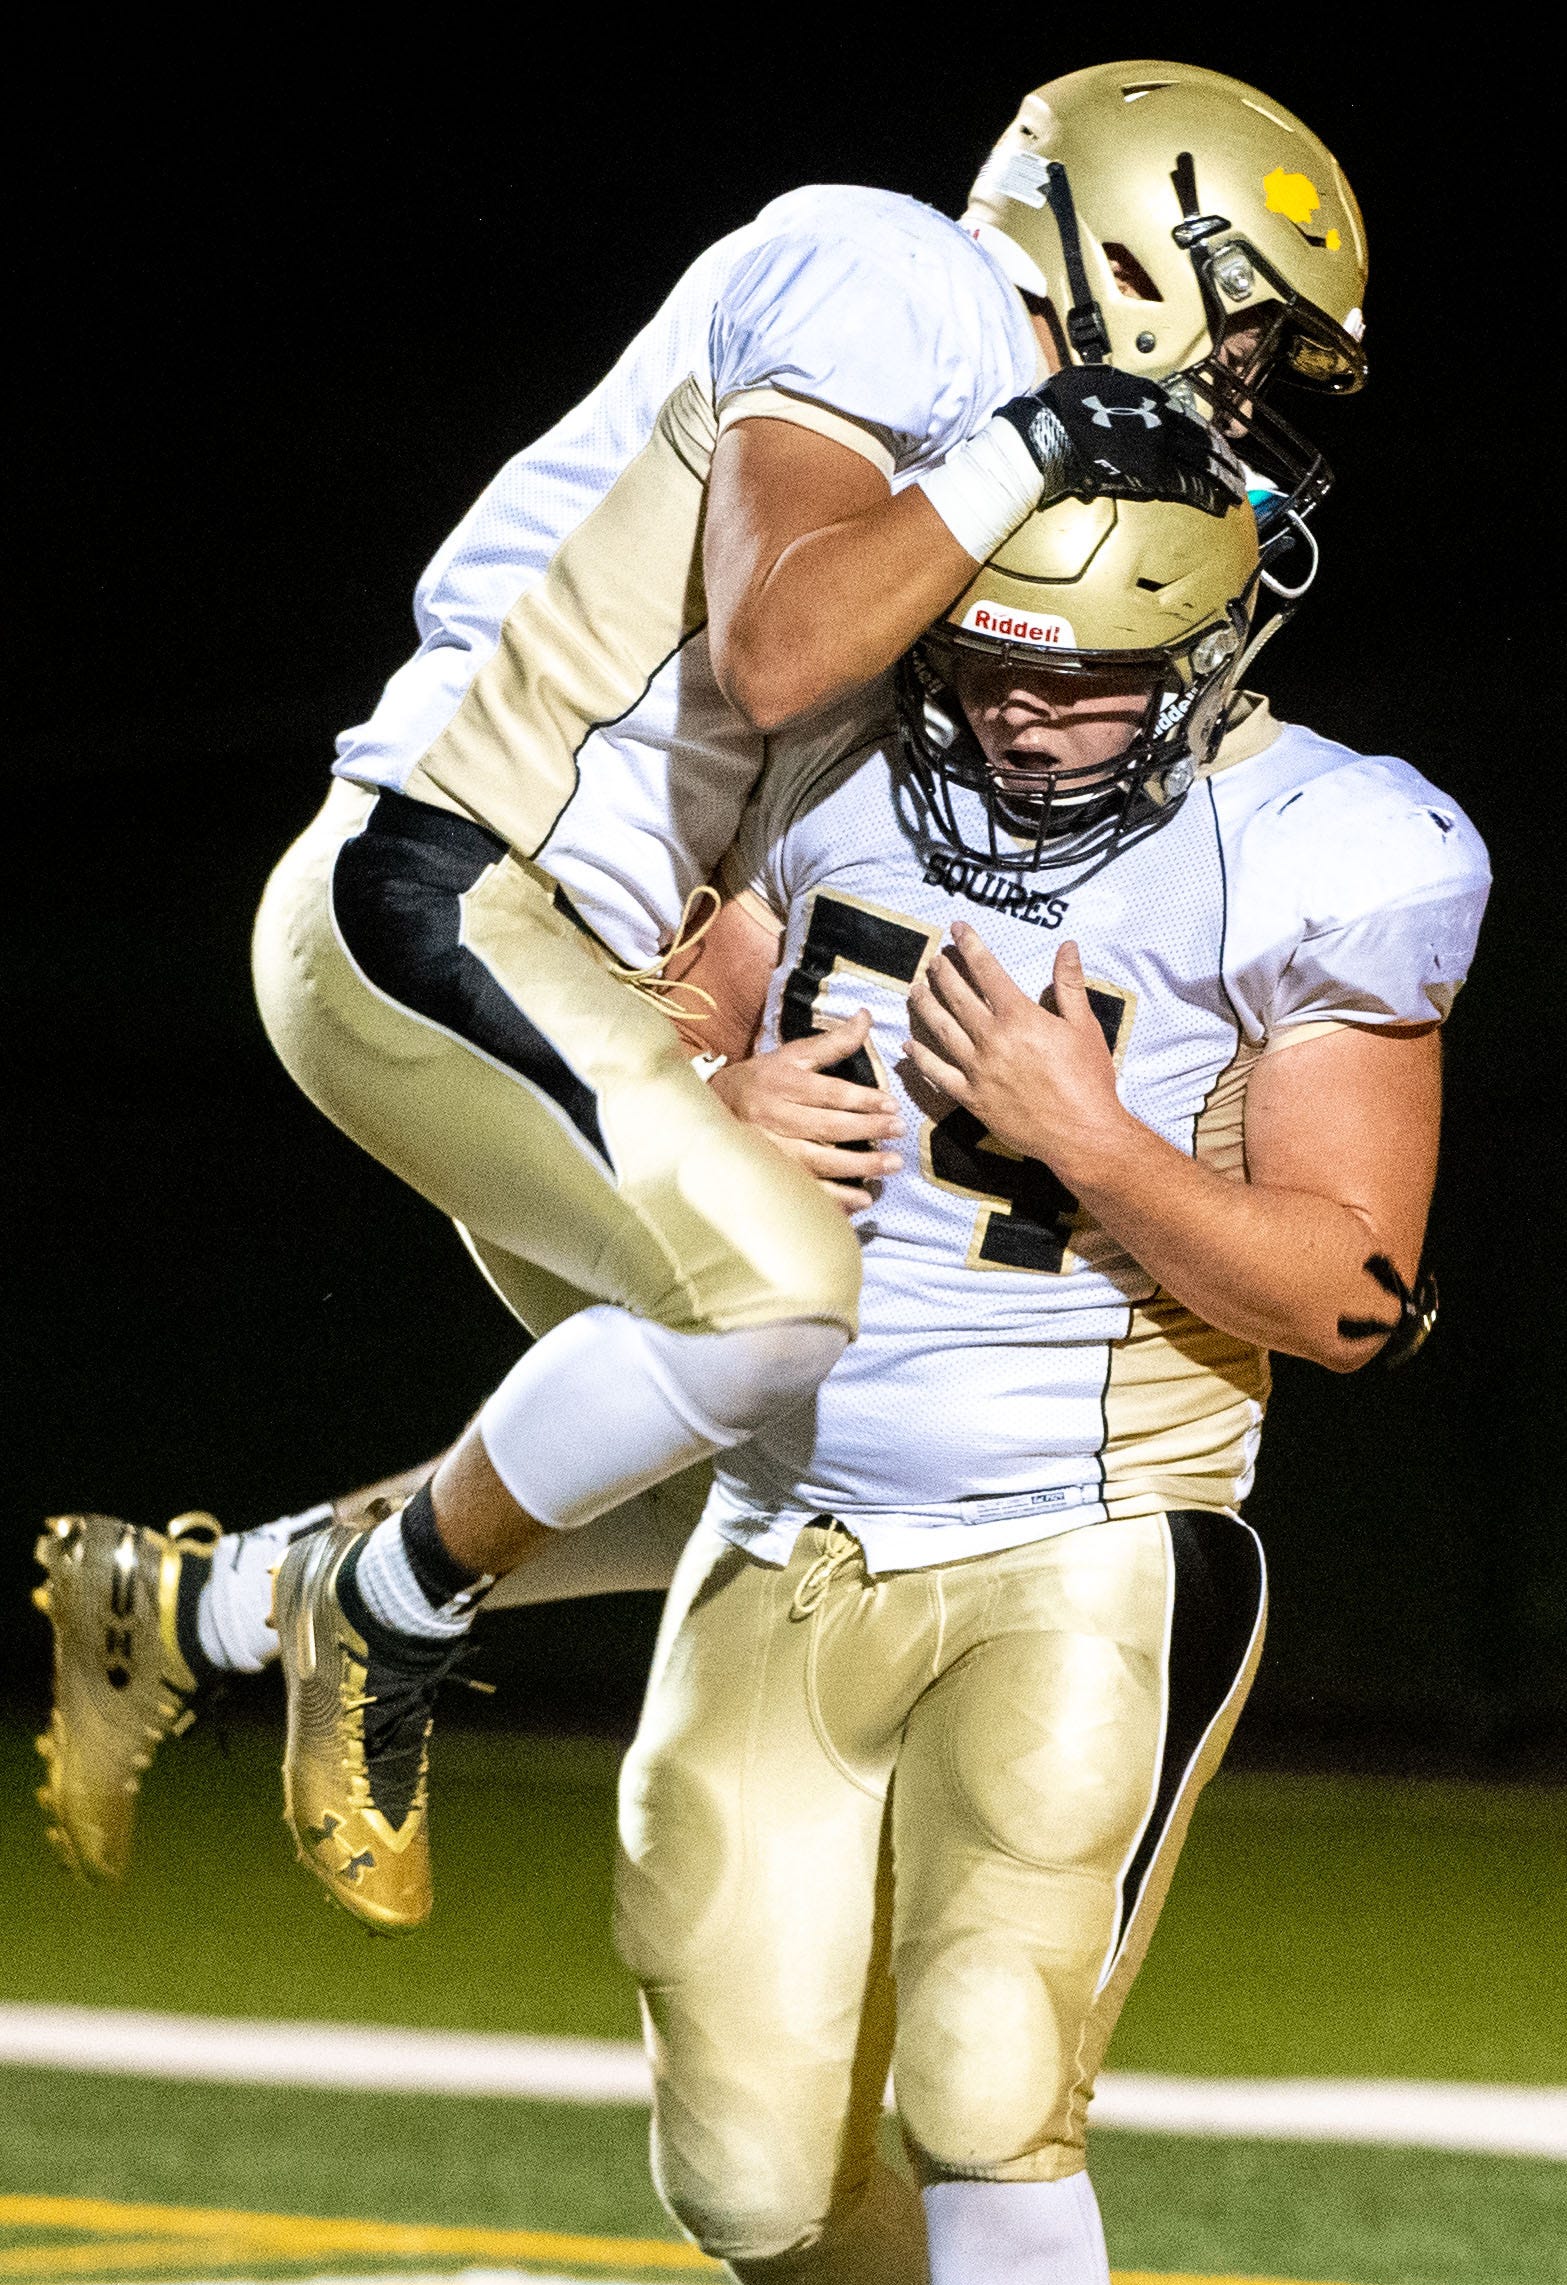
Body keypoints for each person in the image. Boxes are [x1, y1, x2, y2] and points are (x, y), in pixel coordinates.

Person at [34, 62, 1367, 1930]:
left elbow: (731, 824)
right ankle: (379, 1618)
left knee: (804, 1468)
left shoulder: (973, 458)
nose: (1236, 402)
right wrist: (1041, 436)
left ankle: (195, 1604)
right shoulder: (893, 269)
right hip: (438, 873)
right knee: (780, 1307)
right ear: (1145, 245)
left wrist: (698, 1078)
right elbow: (772, 641)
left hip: (570, 969)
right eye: (1245, 340)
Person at [598, 496, 1487, 2285]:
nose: (1025, 716)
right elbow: (649, 1038)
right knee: (751, 2187)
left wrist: (1093, 1141)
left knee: (991, 2078)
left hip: (1090, 1538)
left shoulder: (1318, 840)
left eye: (1089, 681)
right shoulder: (833, 756)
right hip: (780, 1532)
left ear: (1211, 650)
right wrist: (692, 1117)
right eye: (994, 662)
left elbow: (1356, 1304)